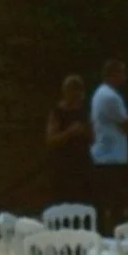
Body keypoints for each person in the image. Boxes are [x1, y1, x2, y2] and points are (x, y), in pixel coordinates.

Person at [87, 56, 128, 232]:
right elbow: (126, 124)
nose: (124, 77)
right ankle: (113, 234)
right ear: (112, 74)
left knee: (106, 202)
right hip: (111, 158)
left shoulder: (100, 93)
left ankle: (106, 232)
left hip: (105, 156)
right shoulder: (110, 97)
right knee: (115, 203)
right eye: (121, 73)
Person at [43, 73, 92, 209]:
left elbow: (93, 136)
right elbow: (51, 139)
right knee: (63, 203)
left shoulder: (84, 111)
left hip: (82, 165)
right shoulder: (57, 112)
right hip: (63, 166)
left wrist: (85, 131)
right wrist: (70, 132)